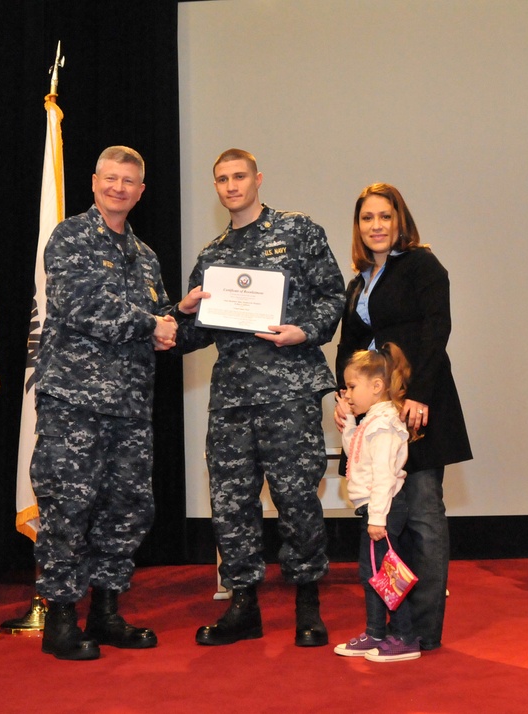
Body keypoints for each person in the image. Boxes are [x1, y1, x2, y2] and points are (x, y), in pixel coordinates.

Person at [175, 148, 345, 647]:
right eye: (222, 179)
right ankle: (243, 605)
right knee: (231, 504)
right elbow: (194, 334)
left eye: (239, 176)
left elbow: (334, 295)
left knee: (297, 500)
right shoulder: (212, 255)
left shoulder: (299, 231)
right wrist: (180, 312)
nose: (231, 186)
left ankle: (308, 604)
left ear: (258, 179)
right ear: (216, 187)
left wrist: (305, 331)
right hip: (231, 398)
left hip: (289, 390)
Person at [31, 146, 178, 660]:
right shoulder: (70, 237)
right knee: (69, 508)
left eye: (129, 181)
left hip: (131, 405)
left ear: (141, 191)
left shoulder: (147, 256)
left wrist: (178, 318)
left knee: (127, 509)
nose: (119, 188)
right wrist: (151, 325)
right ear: (94, 183)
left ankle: (106, 612)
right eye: (110, 178)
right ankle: (61, 621)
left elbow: (158, 316)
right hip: (75, 401)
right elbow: (83, 304)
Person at [334, 183, 472, 651]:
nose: (376, 226)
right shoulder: (360, 280)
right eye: (367, 218)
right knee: (383, 524)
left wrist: (418, 393)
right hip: (374, 419)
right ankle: (387, 628)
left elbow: (438, 329)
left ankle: (423, 633)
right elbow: (348, 346)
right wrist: (343, 393)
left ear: (400, 221)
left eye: (384, 217)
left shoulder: (422, 265)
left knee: (422, 520)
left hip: (417, 409)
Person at [334, 344, 421, 663]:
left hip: (381, 510)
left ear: (377, 386)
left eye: (352, 387)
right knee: (371, 573)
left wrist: (377, 518)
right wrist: (350, 423)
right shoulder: (371, 421)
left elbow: (384, 476)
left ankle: (403, 637)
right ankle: (376, 633)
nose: (348, 394)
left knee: (385, 576)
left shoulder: (384, 425)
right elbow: (356, 453)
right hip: (374, 510)